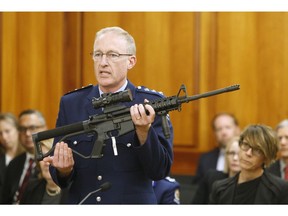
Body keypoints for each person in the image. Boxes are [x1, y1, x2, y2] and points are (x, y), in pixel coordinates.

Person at [43, 26, 174, 204]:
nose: (103, 62)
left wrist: (144, 132)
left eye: (113, 55)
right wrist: (63, 170)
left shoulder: (151, 104)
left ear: (131, 61)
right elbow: (59, 174)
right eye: (98, 54)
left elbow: (160, 171)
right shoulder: (71, 103)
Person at [209, 124, 288, 204]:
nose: (248, 153)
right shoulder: (220, 188)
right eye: (246, 145)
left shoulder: (280, 189)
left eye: (257, 149)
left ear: (266, 157)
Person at [1, 109, 47, 204]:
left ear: (44, 129)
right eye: (22, 129)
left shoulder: (52, 160)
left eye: (33, 128)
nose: (27, 134)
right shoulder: (14, 163)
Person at [194, 112, 240, 184]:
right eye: (219, 129)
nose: (223, 132)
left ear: (237, 129)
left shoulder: (247, 156)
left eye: (228, 127)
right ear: (215, 133)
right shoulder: (205, 159)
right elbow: (197, 188)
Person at [192, 136, 241, 204]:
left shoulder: (250, 185)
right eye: (231, 153)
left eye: (240, 154)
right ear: (226, 156)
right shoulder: (211, 177)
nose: (235, 158)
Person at [20, 139, 68, 204]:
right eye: (43, 156)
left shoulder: (73, 190)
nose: (46, 162)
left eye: (51, 155)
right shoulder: (31, 188)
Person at [0, 113, 24, 203]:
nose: (4, 137)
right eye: (0, 133)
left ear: (17, 130)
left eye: (7, 131)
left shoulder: (28, 157)